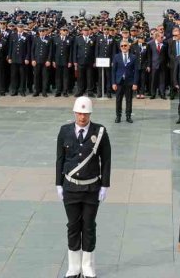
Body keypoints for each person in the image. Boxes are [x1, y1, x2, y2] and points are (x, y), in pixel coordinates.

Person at [56, 96, 111, 278]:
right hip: (71, 187)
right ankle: (74, 267)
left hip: (91, 189)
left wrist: (105, 185)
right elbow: (60, 159)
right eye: (79, 113)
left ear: (90, 114)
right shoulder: (64, 131)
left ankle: (87, 266)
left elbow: (107, 160)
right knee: (73, 226)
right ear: (74, 113)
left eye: (85, 114)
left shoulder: (100, 132)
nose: (82, 117)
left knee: (88, 226)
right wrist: (58, 183)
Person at [111, 41, 138, 123]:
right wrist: (113, 83)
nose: (123, 47)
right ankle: (118, 116)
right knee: (118, 100)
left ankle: (128, 116)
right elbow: (113, 71)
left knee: (129, 100)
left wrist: (135, 83)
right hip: (119, 81)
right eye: (122, 46)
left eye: (125, 45)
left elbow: (136, 71)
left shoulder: (133, 57)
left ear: (128, 47)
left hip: (129, 81)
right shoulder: (116, 56)